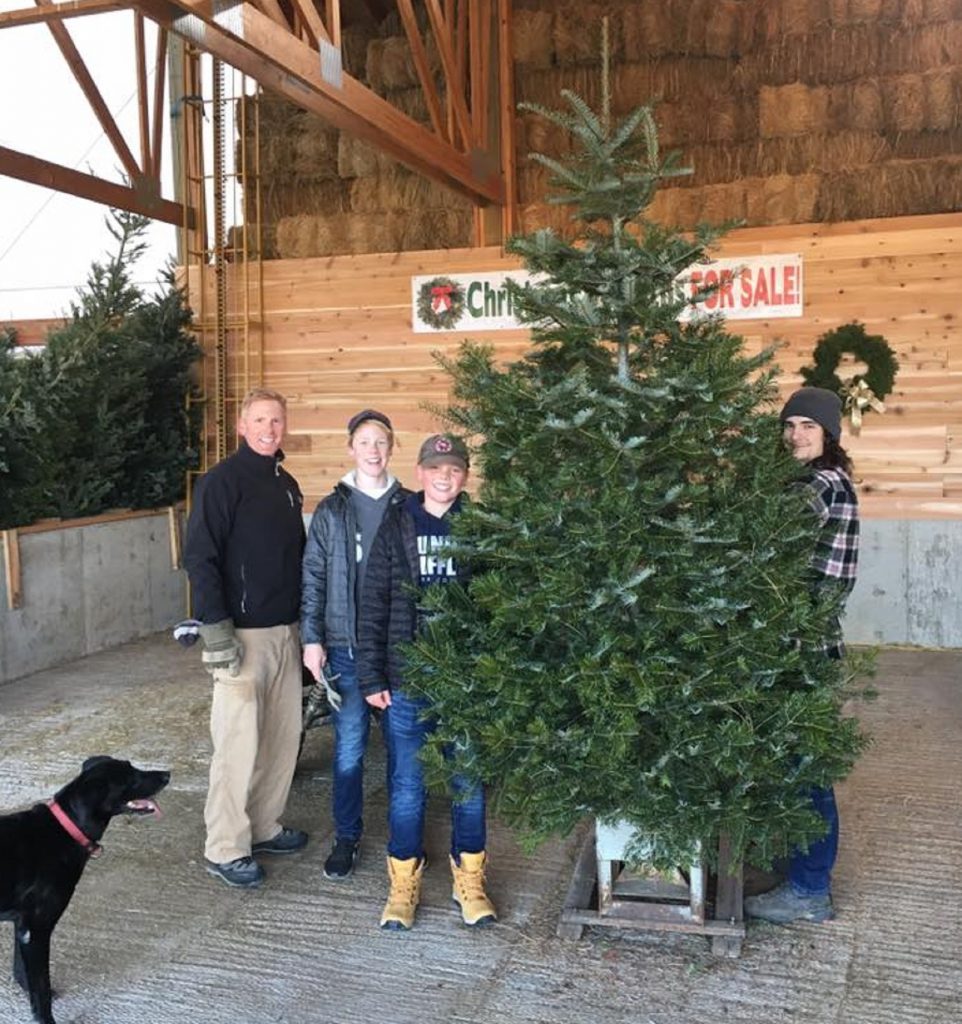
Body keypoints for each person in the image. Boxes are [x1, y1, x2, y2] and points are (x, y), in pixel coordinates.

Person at [357, 433, 497, 931]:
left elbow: (496, 604)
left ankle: (471, 880)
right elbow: (373, 602)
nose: (445, 477)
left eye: (455, 469)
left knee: (468, 785)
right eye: (437, 468)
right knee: (408, 787)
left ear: (464, 476)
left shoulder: (479, 528)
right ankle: (403, 883)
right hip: (408, 681)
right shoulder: (397, 525)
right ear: (419, 472)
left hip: (464, 682)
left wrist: (490, 675)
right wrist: (371, 674)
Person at [183, 387, 308, 889]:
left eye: (276, 420)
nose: (268, 429)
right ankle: (225, 846)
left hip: (285, 633)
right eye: (259, 420)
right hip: (240, 638)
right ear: (242, 425)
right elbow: (200, 557)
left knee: (281, 740)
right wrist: (216, 632)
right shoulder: (221, 483)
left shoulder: (287, 484)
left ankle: (262, 825)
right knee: (237, 745)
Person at [745, 386, 859, 923]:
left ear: (829, 434)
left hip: (802, 650)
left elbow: (765, 536)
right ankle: (793, 871)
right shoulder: (802, 481)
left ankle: (810, 891)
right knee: (786, 764)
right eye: (788, 426)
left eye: (807, 427)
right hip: (781, 645)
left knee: (805, 767)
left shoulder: (823, 485)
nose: (795, 435)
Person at [301, 409, 410, 880]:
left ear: (391, 448)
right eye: (364, 441)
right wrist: (312, 638)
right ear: (351, 449)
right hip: (345, 647)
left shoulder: (410, 505)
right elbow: (314, 577)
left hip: (398, 648)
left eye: (381, 441)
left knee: (401, 748)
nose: (373, 449)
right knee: (349, 748)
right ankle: (346, 837)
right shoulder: (331, 510)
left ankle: (400, 842)